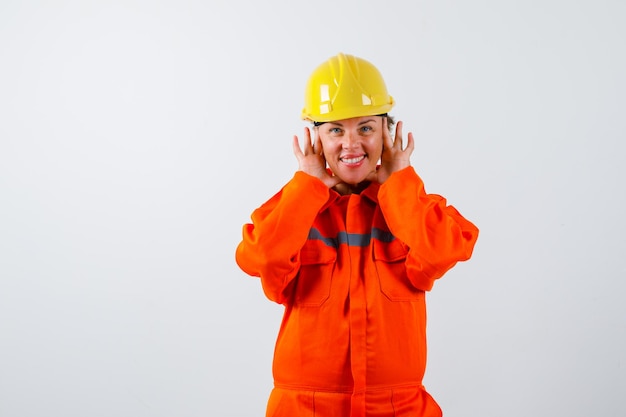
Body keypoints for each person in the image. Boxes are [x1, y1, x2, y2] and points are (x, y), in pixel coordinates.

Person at [235, 52, 479, 417]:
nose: (351, 144)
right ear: (315, 138)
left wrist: (399, 183)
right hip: (306, 408)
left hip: (398, 407)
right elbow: (261, 257)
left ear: (388, 133)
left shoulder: (411, 205)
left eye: (365, 127)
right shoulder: (294, 209)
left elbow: (445, 250)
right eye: (335, 129)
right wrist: (307, 187)